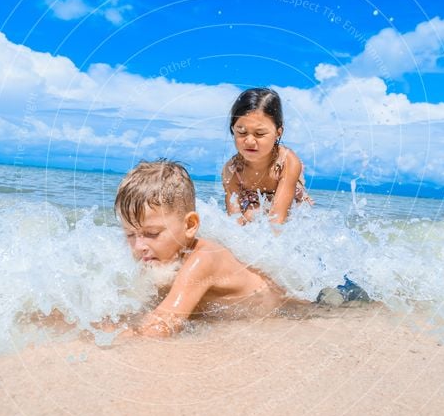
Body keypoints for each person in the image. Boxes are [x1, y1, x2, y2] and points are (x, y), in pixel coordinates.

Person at [114, 159, 295, 337]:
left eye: (152, 234)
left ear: (190, 225)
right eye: (130, 235)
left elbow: (163, 326)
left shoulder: (203, 259)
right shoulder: (161, 260)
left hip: (287, 311)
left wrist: (116, 337)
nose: (139, 246)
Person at [222, 87, 312, 224]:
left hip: (291, 208)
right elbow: (233, 221)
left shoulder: (287, 162)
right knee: (250, 214)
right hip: (252, 207)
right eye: (241, 132)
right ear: (233, 130)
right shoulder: (232, 170)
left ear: (278, 132)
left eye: (259, 134)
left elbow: (278, 219)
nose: (250, 141)